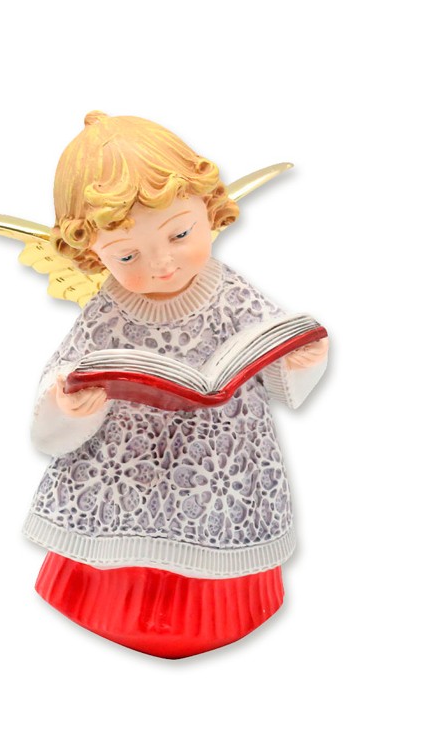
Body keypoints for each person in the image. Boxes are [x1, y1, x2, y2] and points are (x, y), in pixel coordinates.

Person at [24, 111, 328, 658]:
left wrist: (300, 360)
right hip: (129, 462)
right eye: (127, 255)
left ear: (209, 212)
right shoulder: (108, 309)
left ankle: (220, 610)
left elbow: (273, 360)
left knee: (214, 530)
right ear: (93, 253)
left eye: (180, 234)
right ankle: (112, 603)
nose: (162, 263)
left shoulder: (230, 290)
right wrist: (67, 406)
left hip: (219, 457)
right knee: (127, 537)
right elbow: (62, 377)